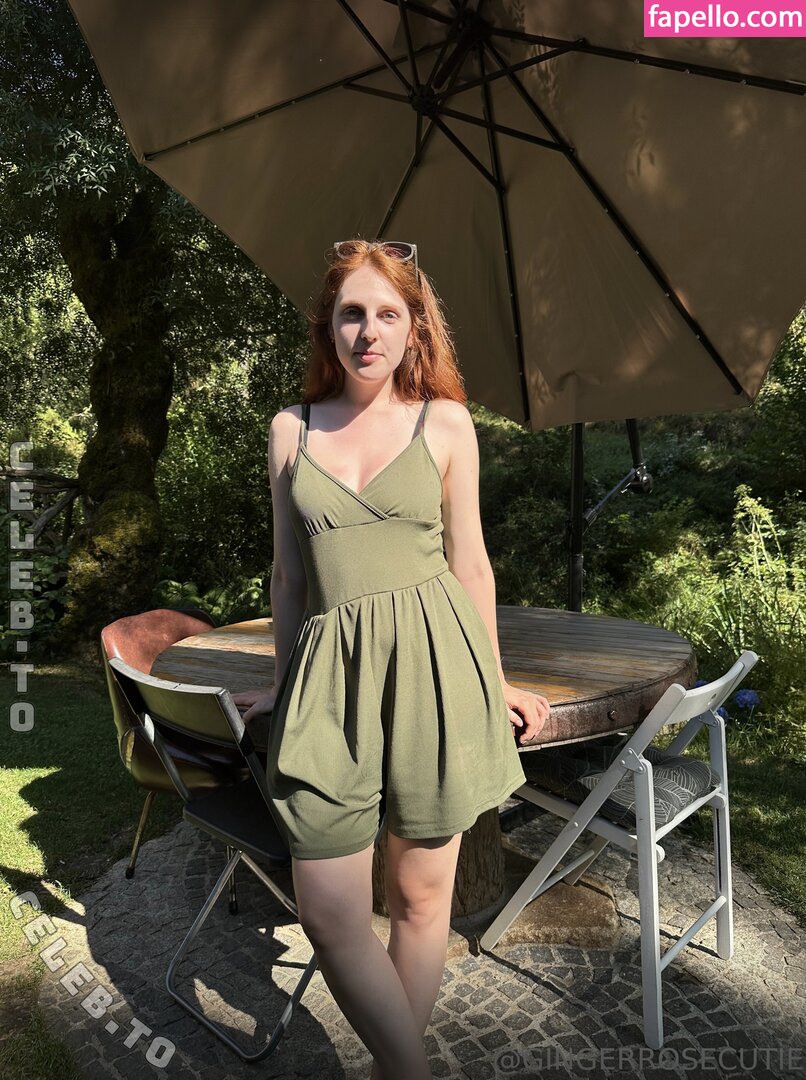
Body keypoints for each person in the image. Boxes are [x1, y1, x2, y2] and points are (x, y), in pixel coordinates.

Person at [232, 238, 550, 1079]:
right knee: (329, 910)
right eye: (351, 314)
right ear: (328, 327)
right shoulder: (291, 429)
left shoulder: (444, 423)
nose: (367, 331)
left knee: (418, 897)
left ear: (415, 327)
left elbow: (471, 562)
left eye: (386, 313)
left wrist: (494, 676)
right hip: (328, 683)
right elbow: (288, 576)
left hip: (436, 672)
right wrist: (281, 680)